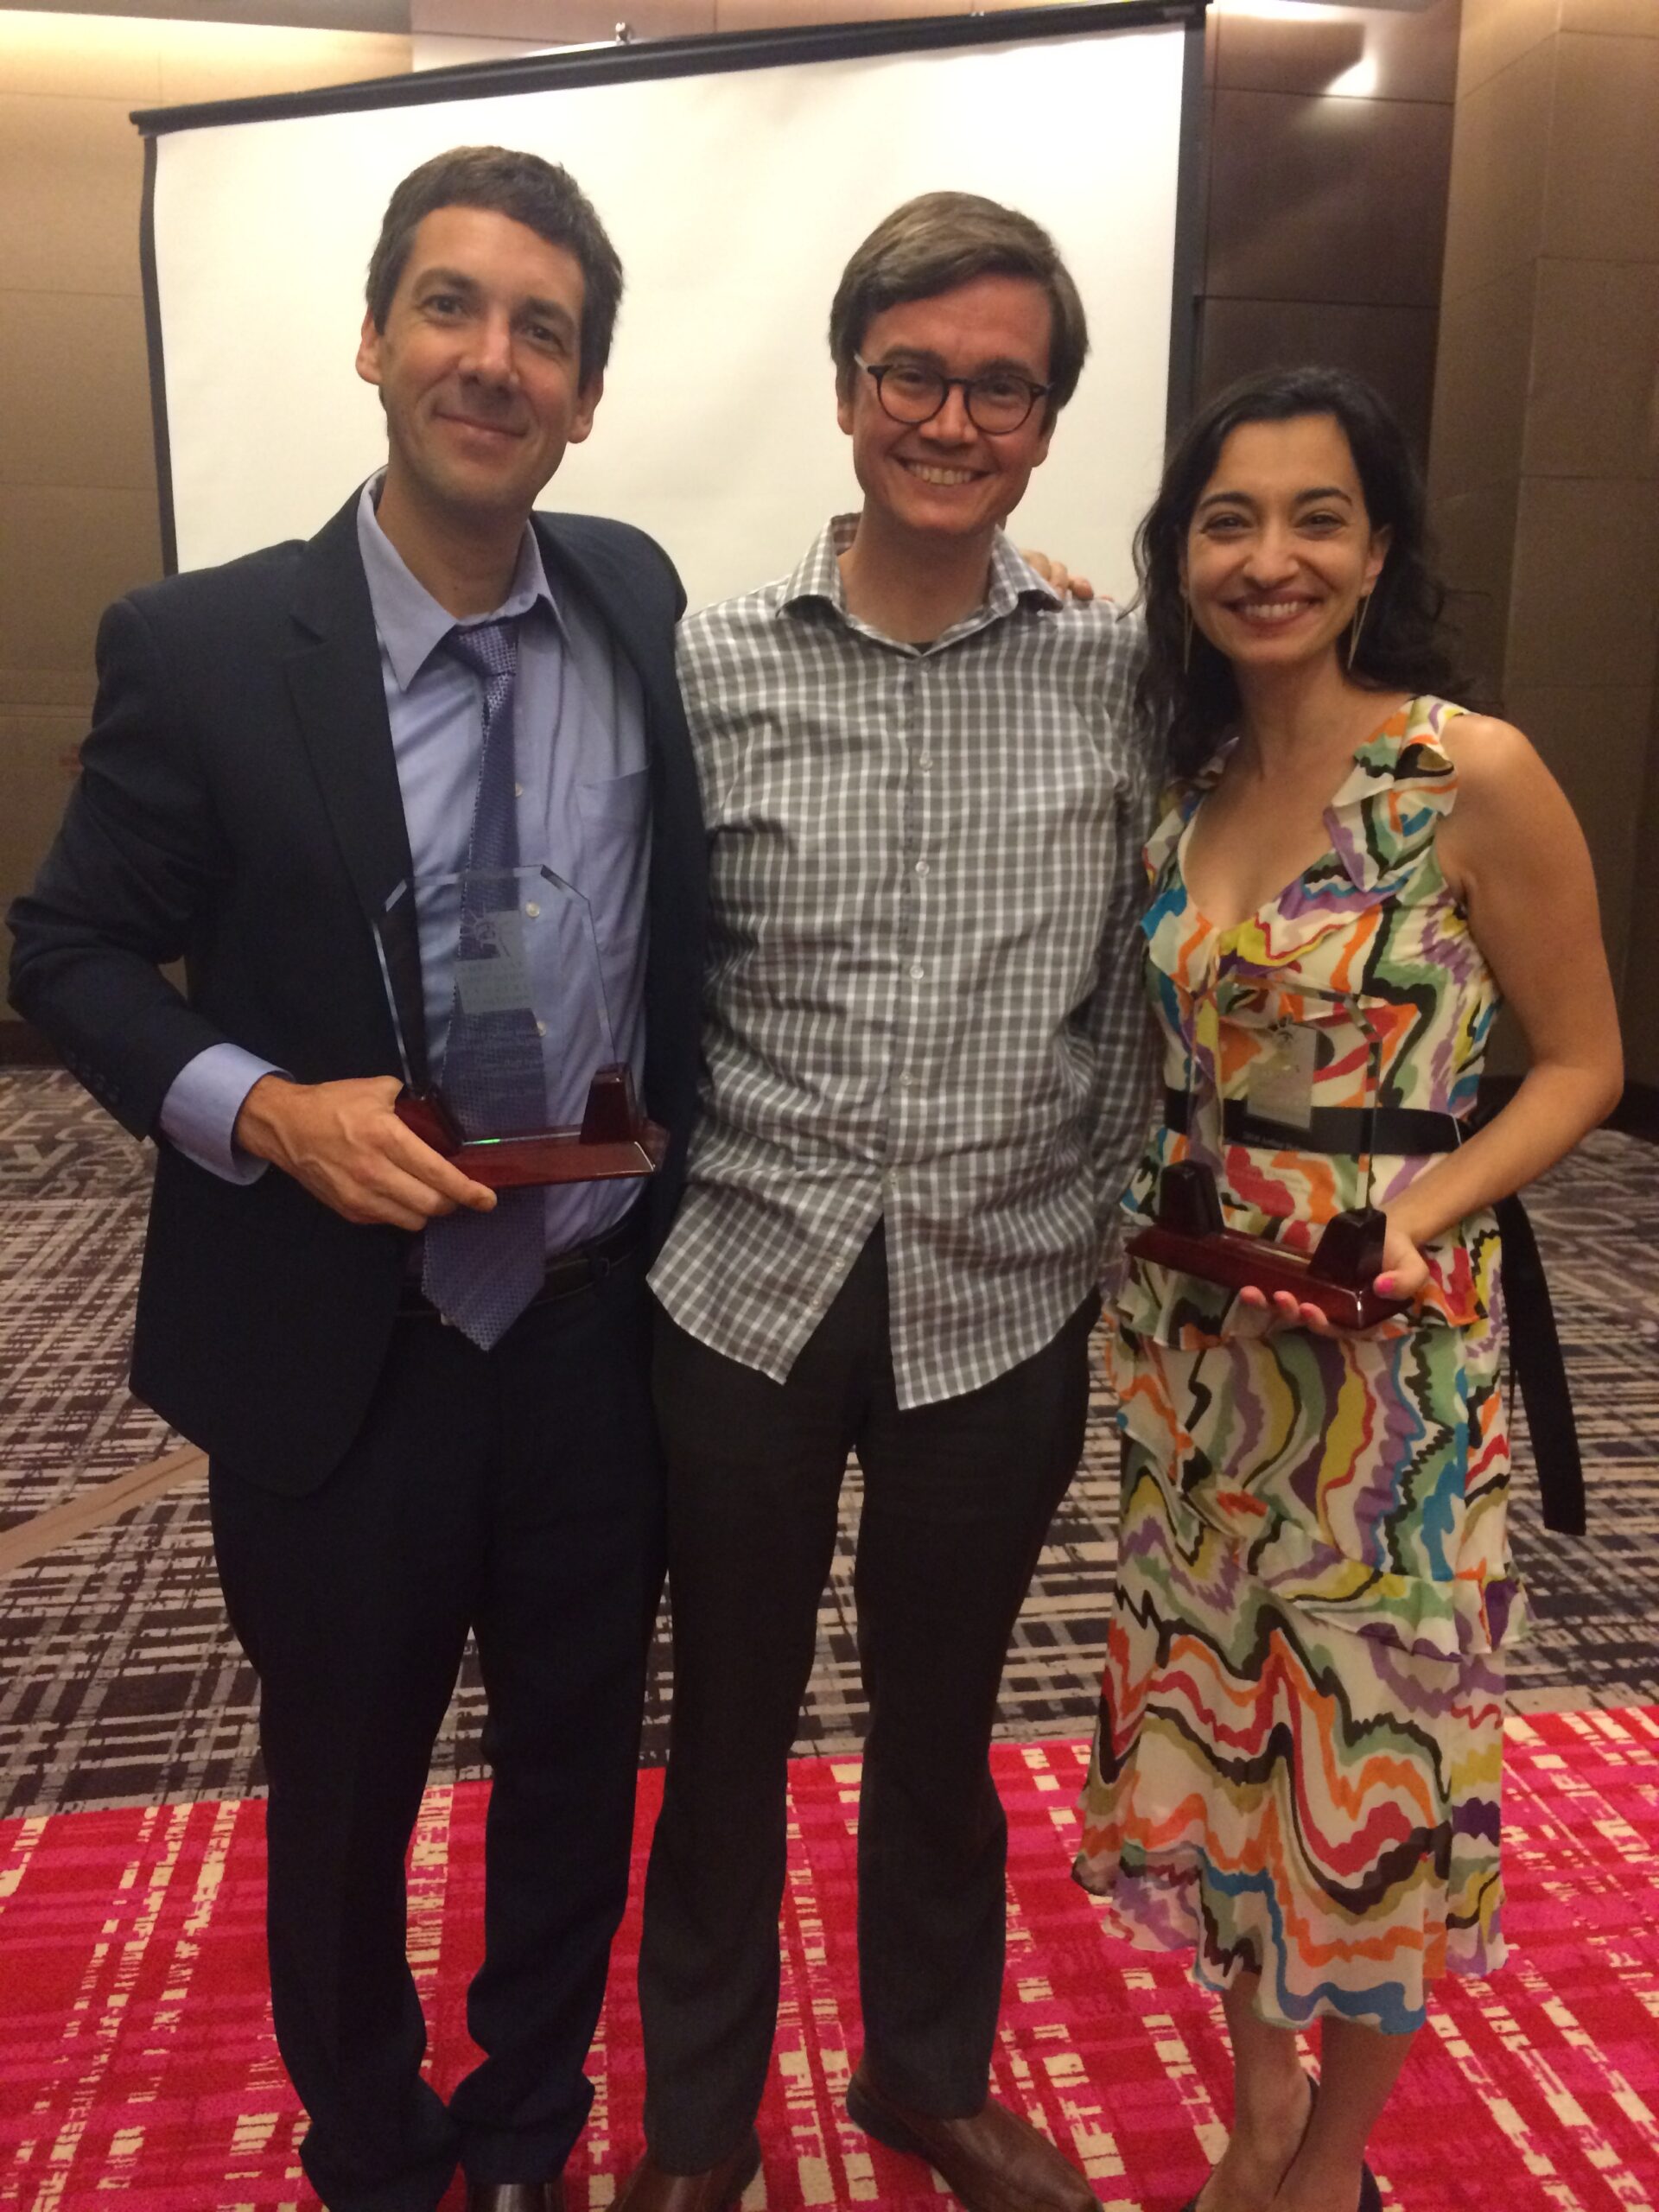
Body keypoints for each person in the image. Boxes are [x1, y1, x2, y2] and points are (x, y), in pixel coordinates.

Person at [8, 147, 706, 2212]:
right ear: (378, 338)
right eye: (453, 308)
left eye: (544, 332)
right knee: (341, 1794)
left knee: (581, 1772)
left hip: (588, 1327)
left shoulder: (640, 597)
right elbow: (62, 952)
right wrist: (258, 1103)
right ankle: (378, 2146)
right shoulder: (207, 645)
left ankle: (523, 2132)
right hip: (342, 1349)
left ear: (586, 392)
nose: (493, 360)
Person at [620, 192, 1155, 2212]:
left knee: (943, 1722)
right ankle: (694, 2127)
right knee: (728, 1725)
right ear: (852, 391)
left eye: (998, 385)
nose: (951, 414)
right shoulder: (707, 662)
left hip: (1002, 1292)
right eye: (912, 374)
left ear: (1044, 421)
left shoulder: (1117, 674)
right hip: (740, 1277)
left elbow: (1148, 966)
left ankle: (928, 2072)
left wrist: (1096, 1198)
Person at [1071, 365, 1622, 2212]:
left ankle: (1327, 2171)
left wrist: (1422, 1208)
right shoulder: (1190, 772)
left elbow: (1579, 1064)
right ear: (1184, 554)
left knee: (1375, 1773)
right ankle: (1253, 2114)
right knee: (1227, 1750)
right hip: (1198, 1364)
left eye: (1317, 516)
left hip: (1386, 1376)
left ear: (1378, 548)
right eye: (1228, 518)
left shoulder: (1468, 768)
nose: (1271, 555)